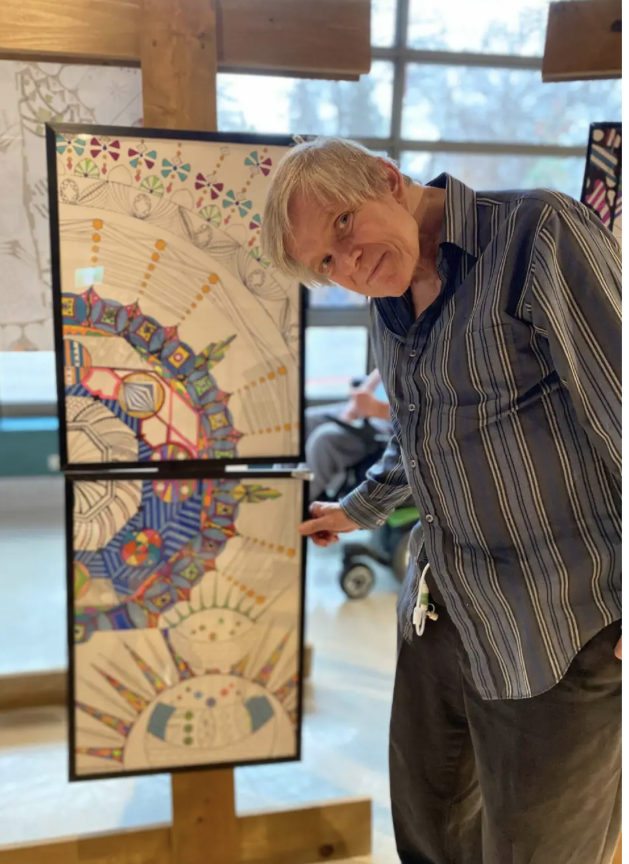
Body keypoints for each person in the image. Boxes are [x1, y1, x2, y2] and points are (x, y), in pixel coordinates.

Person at [263, 138, 621, 864]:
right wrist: (356, 510)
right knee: (429, 835)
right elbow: (417, 433)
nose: (349, 264)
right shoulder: (388, 301)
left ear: (387, 179)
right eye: (326, 263)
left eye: (343, 224)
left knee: (537, 851)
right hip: (443, 608)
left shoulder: (537, 233)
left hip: (559, 619)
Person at [305, 368, 391, 500]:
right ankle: (283, 484)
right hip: (372, 407)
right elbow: (383, 369)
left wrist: (378, 409)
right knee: (305, 421)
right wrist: (354, 406)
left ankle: (301, 501)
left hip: (392, 422)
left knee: (324, 438)